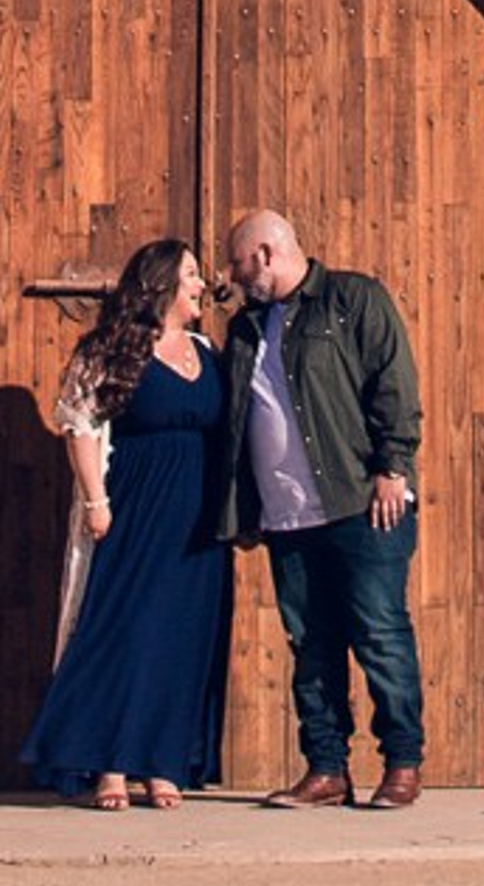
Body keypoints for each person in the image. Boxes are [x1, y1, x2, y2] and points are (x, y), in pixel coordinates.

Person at [220, 206, 426, 808]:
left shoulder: (352, 299)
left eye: (237, 262)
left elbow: (394, 383)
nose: (231, 276)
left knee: (379, 633)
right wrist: (243, 506)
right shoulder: (245, 330)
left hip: (362, 504)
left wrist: (393, 466)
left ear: (265, 254)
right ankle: (327, 769)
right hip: (289, 518)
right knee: (310, 646)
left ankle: (403, 764)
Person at [21, 238, 233, 809]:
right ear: (163, 284)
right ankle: (109, 762)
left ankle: (163, 762)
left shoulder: (206, 350)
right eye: (191, 274)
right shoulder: (112, 351)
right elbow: (80, 424)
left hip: (198, 514)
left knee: (181, 635)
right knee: (124, 628)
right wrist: (96, 501)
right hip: (137, 506)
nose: (201, 284)